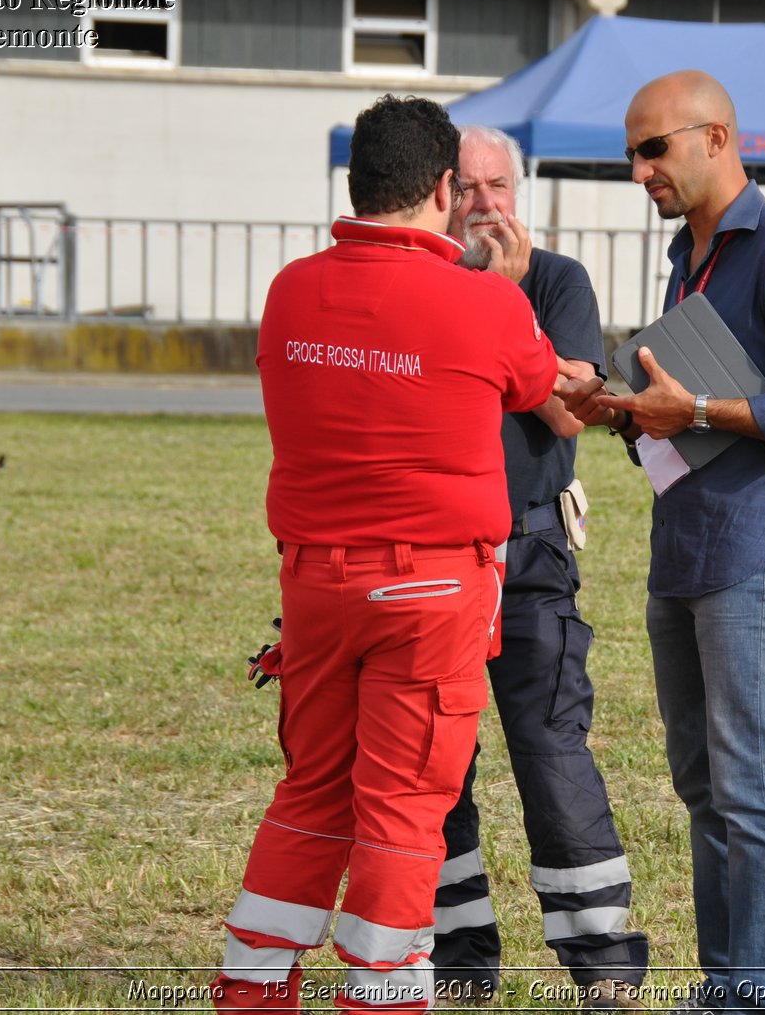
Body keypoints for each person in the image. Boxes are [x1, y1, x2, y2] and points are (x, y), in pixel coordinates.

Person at [213, 95, 559, 1013]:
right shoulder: (486, 301)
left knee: (313, 788)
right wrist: (508, 284)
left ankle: (252, 987)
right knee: (405, 802)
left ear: (356, 185)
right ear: (445, 188)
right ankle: (384, 993)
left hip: (316, 582)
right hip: (434, 583)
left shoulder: (292, 289)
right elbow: (533, 380)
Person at [557, 71, 765, 1014]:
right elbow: (684, 413)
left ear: (717, 139)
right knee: (704, 781)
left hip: (759, 547)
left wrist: (689, 406)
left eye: (655, 148)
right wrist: (620, 409)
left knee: (754, 782)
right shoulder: (688, 258)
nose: (639, 168)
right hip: (688, 540)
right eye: (631, 154)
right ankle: (729, 987)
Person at [431, 125, 649, 1011]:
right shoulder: (421, 282)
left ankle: (604, 971)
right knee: (435, 764)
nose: (486, 204)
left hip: (528, 550)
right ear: (441, 192)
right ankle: (458, 961)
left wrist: (504, 303)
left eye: (500, 186)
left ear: (519, 192)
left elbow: (572, 414)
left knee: (551, 751)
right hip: (439, 554)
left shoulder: (557, 280)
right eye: (470, 187)